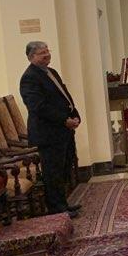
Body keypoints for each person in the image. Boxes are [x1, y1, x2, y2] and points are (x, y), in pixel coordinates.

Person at [19, 41, 81, 218]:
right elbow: (38, 106)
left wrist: (75, 114)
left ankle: (63, 204)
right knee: (52, 171)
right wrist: (64, 120)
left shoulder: (50, 72)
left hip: (62, 130)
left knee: (62, 168)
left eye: (47, 51)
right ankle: (56, 208)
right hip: (48, 133)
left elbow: (63, 96)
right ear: (31, 57)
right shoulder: (30, 77)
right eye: (41, 53)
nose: (46, 55)